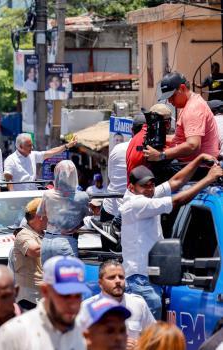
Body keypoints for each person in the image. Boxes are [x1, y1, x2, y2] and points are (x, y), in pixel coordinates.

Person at [121, 155, 223, 319]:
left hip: (151, 279)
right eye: (144, 186)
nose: (149, 188)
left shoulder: (148, 195)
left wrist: (198, 160)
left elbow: (176, 181)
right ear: (132, 187)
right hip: (141, 281)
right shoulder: (135, 204)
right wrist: (208, 178)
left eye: (151, 184)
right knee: (147, 340)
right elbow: (177, 201)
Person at [0, 256, 89, 349]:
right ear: (45, 291)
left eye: (77, 296)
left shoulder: (87, 330)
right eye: (65, 296)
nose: (73, 304)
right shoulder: (14, 333)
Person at [144, 72, 220, 163]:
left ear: (182, 88)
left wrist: (161, 155)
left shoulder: (193, 108)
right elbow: (182, 138)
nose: (169, 100)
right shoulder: (188, 104)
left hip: (198, 167)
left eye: (172, 96)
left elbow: (192, 145)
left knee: (143, 172)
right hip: (190, 163)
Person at [79, 260, 155, 347]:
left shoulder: (138, 303)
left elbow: (154, 337)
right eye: (112, 277)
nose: (118, 281)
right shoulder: (86, 308)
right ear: (100, 283)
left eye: (121, 277)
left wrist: (140, 345)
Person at [37, 160, 89, 262]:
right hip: (66, 241)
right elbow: (88, 216)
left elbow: (40, 213)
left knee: (48, 277)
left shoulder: (48, 194)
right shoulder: (82, 196)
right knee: (68, 277)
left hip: (47, 241)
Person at [4, 133, 77, 191]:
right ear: (20, 146)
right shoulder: (11, 160)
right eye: (29, 146)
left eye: (32, 145)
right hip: (19, 196)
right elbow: (8, 179)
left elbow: (51, 152)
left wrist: (67, 146)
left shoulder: (33, 155)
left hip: (33, 193)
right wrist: (13, 195)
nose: (32, 148)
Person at [12, 198, 46, 310]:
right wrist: (59, 242)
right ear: (39, 216)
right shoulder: (23, 234)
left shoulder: (45, 234)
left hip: (44, 297)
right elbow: (34, 250)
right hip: (30, 299)